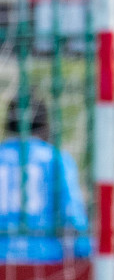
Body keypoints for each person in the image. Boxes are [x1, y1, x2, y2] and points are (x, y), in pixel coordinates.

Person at [0, 98, 91, 262]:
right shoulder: (56, 159)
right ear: (45, 123)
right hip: (45, 258)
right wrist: (84, 251)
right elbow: (72, 214)